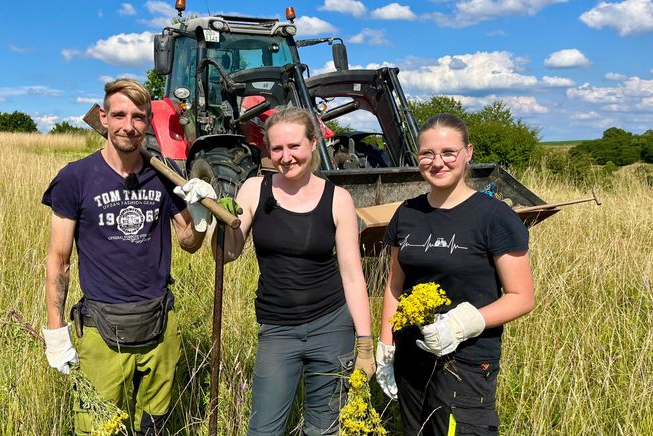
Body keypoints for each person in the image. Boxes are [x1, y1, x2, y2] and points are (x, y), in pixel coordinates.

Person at [40, 78, 217, 435]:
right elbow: (59, 258)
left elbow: (187, 241)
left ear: (148, 122)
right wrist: (55, 329)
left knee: (155, 426)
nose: (128, 125)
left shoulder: (163, 176)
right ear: (103, 118)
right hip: (102, 326)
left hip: (159, 323)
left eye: (138, 117)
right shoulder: (75, 178)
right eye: (119, 115)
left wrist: (201, 219)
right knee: (98, 428)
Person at [216, 107, 375, 435]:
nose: (286, 157)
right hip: (278, 330)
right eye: (277, 149)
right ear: (268, 150)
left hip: (332, 327)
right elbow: (227, 254)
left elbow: (352, 275)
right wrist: (211, 218)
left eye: (294, 147)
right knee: (264, 430)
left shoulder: (338, 199)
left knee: (323, 429)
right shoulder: (253, 190)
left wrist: (365, 344)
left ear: (313, 143)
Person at [375, 113, 535, 435]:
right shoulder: (407, 213)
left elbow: (522, 297)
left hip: (466, 362)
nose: (437, 162)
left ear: (468, 152)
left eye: (449, 152)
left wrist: (461, 325)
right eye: (427, 154)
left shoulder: (494, 217)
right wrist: (386, 345)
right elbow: (395, 284)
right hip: (412, 357)